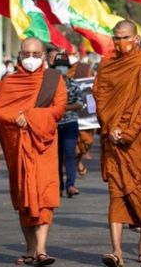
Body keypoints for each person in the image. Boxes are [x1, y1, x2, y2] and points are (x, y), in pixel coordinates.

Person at [93, 20, 141, 266]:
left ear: (136, 38)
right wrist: (109, 127)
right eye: (117, 38)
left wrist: (130, 132)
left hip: (140, 138)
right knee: (116, 193)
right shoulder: (106, 64)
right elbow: (99, 97)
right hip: (113, 136)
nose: (120, 42)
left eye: (125, 37)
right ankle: (117, 251)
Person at [0, 37, 67, 266]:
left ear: (44, 57)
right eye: (26, 54)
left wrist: (30, 117)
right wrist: (18, 119)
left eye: (36, 55)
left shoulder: (54, 79)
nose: (31, 59)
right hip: (20, 147)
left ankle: (42, 250)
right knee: (24, 197)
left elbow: (58, 109)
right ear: (19, 56)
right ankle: (30, 249)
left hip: (43, 145)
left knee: (44, 195)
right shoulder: (9, 82)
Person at [52, 53, 83, 198]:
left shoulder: (74, 85)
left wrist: (65, 108)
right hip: (54, 124)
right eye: (59, 66)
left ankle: (71, 185)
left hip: (70, 123)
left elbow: (80, 104)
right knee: (56, 156)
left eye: (64, 66)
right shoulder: (49, 86)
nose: (61, 69)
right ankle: (58, 186)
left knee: (69, 154)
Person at [66, 54, 95, 177]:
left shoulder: (86, 69)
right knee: (71, 144)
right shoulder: (61, 72)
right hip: (69, 112)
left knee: (86, 141)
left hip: (85, 111)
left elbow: (94, 87)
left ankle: (77, 162)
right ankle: (70, 169)